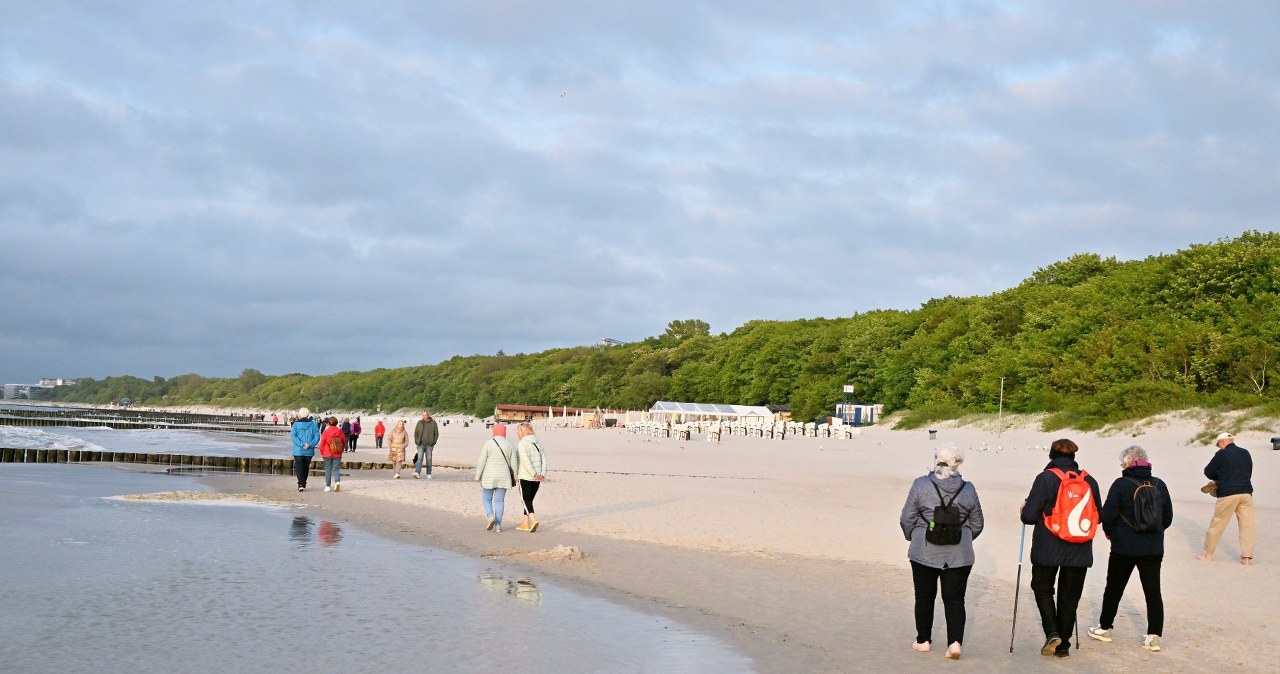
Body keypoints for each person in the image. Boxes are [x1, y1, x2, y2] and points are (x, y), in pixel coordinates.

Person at [899, 444, 984, 660]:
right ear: (958, 463)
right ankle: (954, 643)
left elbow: (907, 518)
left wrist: (913, 536)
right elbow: (977, 523)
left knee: (924, 597)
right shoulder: (969, 488)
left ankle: (923, 641)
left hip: (924, 551)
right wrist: (963, 539)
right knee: (955, 599)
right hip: (960, 554)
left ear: (937, 460)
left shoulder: (920, 484)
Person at [1019, 438, 1102, 658]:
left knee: (1042, 589)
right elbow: (1099, 516)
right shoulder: (1089, 480)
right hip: (1080, 548)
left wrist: (1025, 508)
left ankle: (1052, 632)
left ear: (1051, 455)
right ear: (1074, 456)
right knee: (1069, 597)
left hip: (1047, 547)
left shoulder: (1046, 478)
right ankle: (1063, 646)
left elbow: (1029, 517)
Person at [1087, 445, 1173, 652]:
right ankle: (1154, 637)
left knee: (1114, 588)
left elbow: (1108, 516)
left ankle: (1105, 628)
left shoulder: (1121, 484)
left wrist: (1111, 533)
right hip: (1153, 548)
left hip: (1124, 546)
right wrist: (1154, 532)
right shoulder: (1159, 484)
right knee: (1153, 592)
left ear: (1127, 463)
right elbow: (1167, 518)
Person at [1199, 432, 1255, 565]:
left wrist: (1219, 478)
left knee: (1218, 524)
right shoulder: (1245, 453)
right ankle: (1246, 557)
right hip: (1246, 493)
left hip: (1228, 493)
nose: (1218, 447)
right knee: (1247, 525)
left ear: (1222, 442)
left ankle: (1208, 554)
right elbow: (1248, 472)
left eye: (1218, 445)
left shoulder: (1221, 454)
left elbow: (1208, 471)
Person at [475, 424, 516, 532]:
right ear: (504, 432)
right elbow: (514, 463)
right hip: (504, 477)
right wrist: (516, 477)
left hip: (489, 476)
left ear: (494, 432)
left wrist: (478, 476)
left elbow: (482, 461)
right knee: (499, 501)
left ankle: (490, 516)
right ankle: (498, 525)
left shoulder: (488, 443)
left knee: (486, 498)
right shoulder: (509, 445)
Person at [514, 423, 548, 532]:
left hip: (526, 476)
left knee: (525, 499)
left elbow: (525, 461)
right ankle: (525, 523)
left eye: (518, 431)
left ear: (522, 432)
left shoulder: (522, 444)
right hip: (537, 477)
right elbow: (544, 460)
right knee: (529, 500)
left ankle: (533, 520)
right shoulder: (538, 443)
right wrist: (542, 473)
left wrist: (534, 474)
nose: (517, 434)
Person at [289, 408, 320, 492]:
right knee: (306, 467)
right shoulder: (313, 424)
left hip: (298, 450)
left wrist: (303, 444)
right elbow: (317, 436)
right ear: (308, 415)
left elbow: (294, 437)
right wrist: (310, 444)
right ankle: (303, 483)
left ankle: (301, 484)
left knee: (299, 467)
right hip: (309, 450)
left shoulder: (295, 424)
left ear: (299, 415)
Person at [318, 415, 345, 492]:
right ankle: (337, 482)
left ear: (328, 423)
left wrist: (321, 452)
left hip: (327, 453)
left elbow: (322, 443)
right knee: (336, 469)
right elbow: (343, 442)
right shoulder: (340, 431)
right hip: (337, 453)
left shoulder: (326, 432)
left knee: (328, 469)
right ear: (336, 423)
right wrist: (341, 449)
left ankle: (328, 486)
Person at [414, 410, 440, 479]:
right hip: (420, 444)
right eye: (423, 415)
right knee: (419, 459)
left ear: (428, 415)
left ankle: (429, 474)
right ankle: (417, 473)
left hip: (429, 445)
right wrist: (417, 442)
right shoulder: (419, 423)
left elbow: (436, 434)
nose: (424, 416)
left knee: (429, 460)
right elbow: (416, 433)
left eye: (425, 415)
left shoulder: (433, 423)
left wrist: (433, 442)